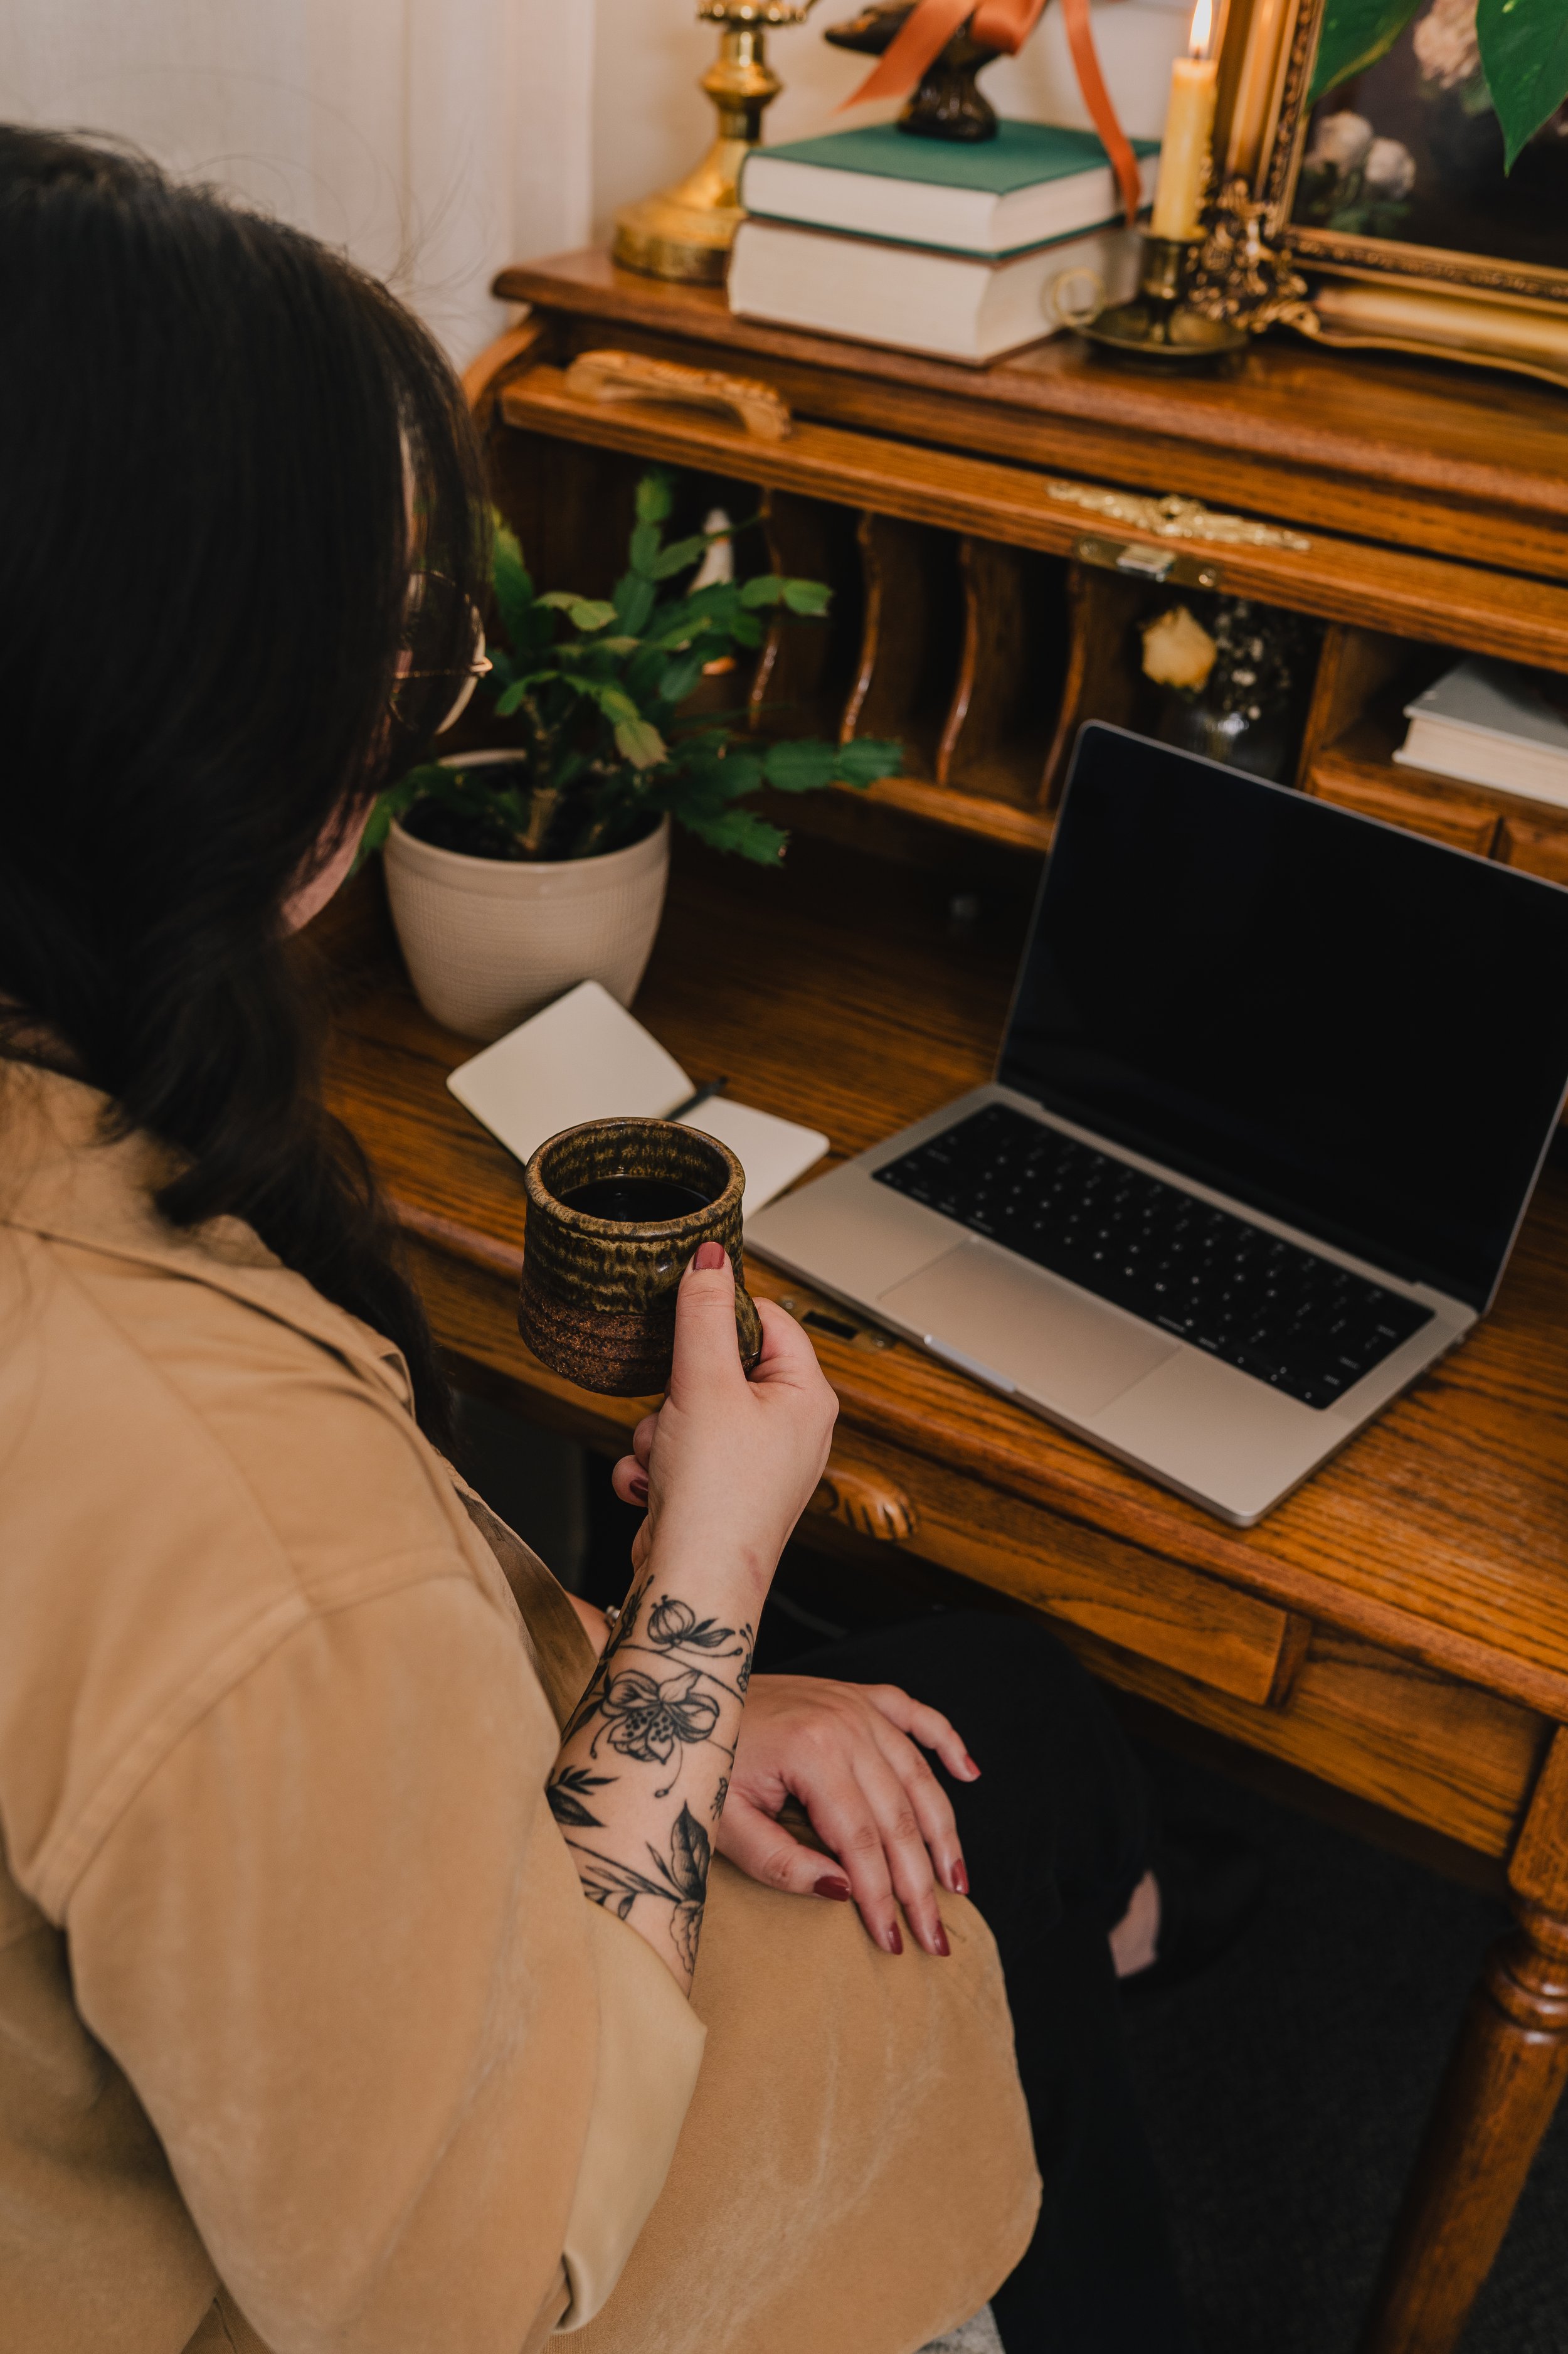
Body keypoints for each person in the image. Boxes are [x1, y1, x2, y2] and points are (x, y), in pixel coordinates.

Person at [0, 129, 1194, 2354]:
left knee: (992, 1712)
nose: (398, 709)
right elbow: (487, 2294)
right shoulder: (235, 1515)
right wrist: (707, 1592)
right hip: (576, 2213)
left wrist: (617, 1660)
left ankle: (1110, 1922)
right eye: (380, 652)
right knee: (981, 1785)